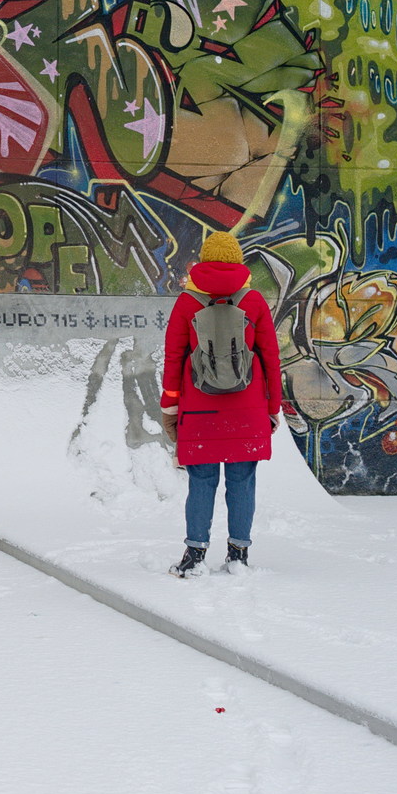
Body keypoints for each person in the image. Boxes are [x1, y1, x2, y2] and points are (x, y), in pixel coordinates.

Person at [161, 230, 282, 576]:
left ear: (204, 260)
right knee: (242, 480)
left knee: (202, 480)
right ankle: (238, 555)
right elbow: (271, 358)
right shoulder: (254, 301)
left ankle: (195, 554)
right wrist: (273, 407)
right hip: (247, 411)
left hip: (199, 411)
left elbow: (173, 359)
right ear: (239, 261)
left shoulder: (186, 303)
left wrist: (170, 408)